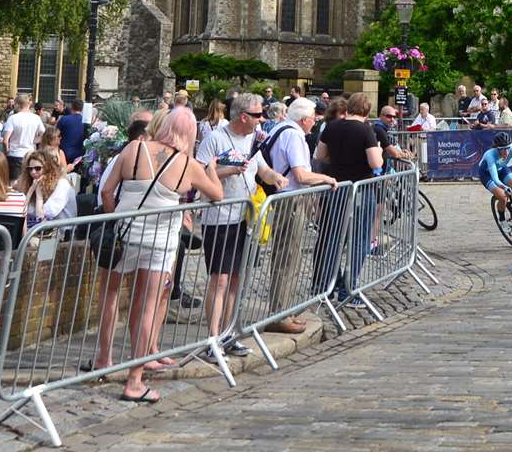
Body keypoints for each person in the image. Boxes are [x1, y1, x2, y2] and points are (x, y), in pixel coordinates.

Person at [97, 106, 222, 403]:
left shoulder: (134, 148)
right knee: (148, 305)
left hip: (125, 233)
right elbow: (217, 194)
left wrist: (115, 219)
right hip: (159, 242)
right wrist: (212, 169)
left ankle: (105, 357)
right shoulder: (188, 164)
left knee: (111, 294)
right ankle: (134, 380)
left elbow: (106, 191)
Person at [197, 94, 281, 356]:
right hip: (220, 218)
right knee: (219, 280)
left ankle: (228, 333)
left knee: (236, 279)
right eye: (258, 115)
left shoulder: (252, 141)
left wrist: (276, 177)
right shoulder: (216, 139)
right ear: (243, 116)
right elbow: (198, 174)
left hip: (244, 217)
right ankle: (213, 338)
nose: (262, 119)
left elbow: (261, 170)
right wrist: (225, 171)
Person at [261, 99, 339, 334]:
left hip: (284, 197)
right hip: (290, 199)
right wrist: (326, 179)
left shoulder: (280, 129)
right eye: (314, 117)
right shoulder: (293, 135)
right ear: (304, 119)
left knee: (287, 256)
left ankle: (284, 309)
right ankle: (279, 313)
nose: (315, 121)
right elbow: (301, 174)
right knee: (287, 257)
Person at [314, 93, 384, 308]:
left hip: (336, 187)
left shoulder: (333, 127)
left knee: (333, 238)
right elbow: (374, 162)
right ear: (366, 109)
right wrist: (379, 151)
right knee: (360, 240)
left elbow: (320, 155)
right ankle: (348, 288)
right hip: (360, 188)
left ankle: (324, 288)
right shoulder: (365, 130)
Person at [16, 150, 75, 227]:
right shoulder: (33, 184)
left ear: (48, 169)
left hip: (60, 233)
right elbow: (22, 211)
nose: (33, 172)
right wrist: (31, 190)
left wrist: (39, 195)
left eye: (37, 168)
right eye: (30, 169)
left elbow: (43, 216)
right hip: (40, 231)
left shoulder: (62, 184)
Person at [476, 132, 512, 210]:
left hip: (501, 169)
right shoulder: (490, 155)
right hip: (487, 174)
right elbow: (495, 179)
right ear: (497, 148)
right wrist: (504, 187)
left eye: (508, 148)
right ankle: (502, 219)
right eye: (502, 149)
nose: (506, 151)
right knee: (503, 197)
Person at [2, 94, 44, 180]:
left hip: (15, 155)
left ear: (17, 104)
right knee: (29, 184)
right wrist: (33, 140)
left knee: (14, 184)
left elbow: (5, 140)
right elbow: (44, 135)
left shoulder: (13, 118)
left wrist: (6, 152)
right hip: (30, 155)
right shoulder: (36, 118)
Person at [56, 99, 88, 177]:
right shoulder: (86, 122)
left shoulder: (64, 119)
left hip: (64, 153)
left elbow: (55, 135)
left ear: (72, 107)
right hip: (79, 155)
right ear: (82, 109)